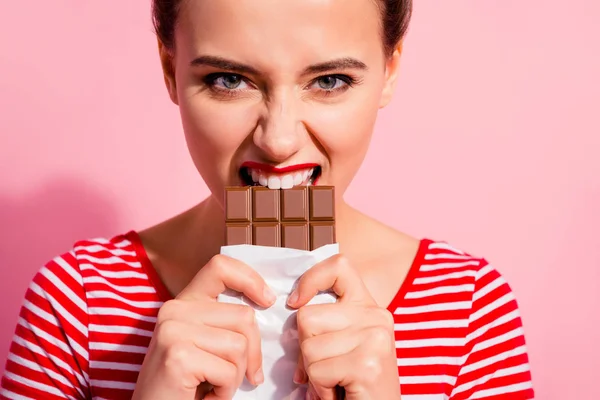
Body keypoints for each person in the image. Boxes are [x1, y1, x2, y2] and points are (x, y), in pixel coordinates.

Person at [0, 0, 535, 399]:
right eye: (229, 79)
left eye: (329, 80)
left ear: (390, 70)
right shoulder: (77, 301)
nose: (278, 141)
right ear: (169, 69)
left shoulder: (468, 306)